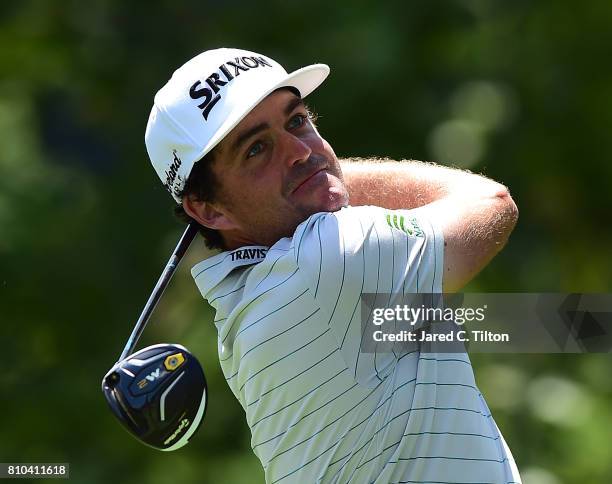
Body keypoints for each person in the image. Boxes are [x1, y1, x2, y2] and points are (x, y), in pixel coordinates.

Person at [145, 48, 521, 483]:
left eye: (297, 121)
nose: (298, 151)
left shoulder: (254, 304)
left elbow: (428, 324)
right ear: (208, 211)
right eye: (257, 150)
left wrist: (313, 177)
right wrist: (323, 173)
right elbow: (491, 203)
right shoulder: (325, 265)